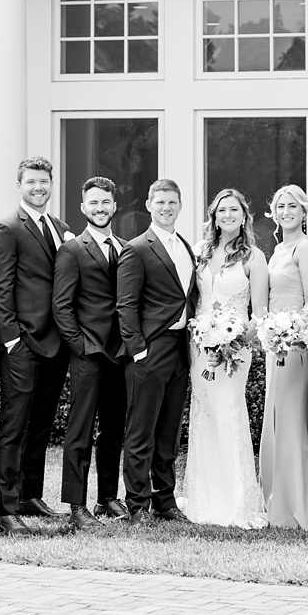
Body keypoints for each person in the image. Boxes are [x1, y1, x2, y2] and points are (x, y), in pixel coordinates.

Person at [0, 156, 72, 527]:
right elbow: (1, 290)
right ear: (19, 185)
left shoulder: (60, 227)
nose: (38, 187)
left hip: (56, 345)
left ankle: (29, 496)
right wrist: (11, 341)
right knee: (14, 427)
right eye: (31, 182)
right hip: (22, 344)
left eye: (44, 182)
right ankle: (7, 508)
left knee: (40, 424)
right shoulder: (7, 229)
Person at [182, 187, 268, 528]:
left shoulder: (254, 258)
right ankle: (205, 498)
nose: (227, 216)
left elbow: (259, 314)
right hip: (199, 347)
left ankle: (236, 502)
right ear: (214, 217)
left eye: (234, 210)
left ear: (244, 215)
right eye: (221, 211)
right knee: (204, 415)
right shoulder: (201, 253)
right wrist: (204, 338)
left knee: (229, 412)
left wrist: (234, 344)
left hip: (236, 351)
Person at [116, 179, 198, 523]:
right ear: (149, 204)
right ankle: (137, 504)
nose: (166, 207)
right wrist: (138, 351)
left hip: (180, 350)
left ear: (180, 206)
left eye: (172, 202)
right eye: (160, 201)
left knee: (168, 432)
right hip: (150, 351)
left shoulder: (185, 246)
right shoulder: (137, 248)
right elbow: (126, 305)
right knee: (141, 431)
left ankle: (165, 501)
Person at [52, 175, 129, 526]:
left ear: (115, 205)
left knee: (113, 430)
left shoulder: (126, 248)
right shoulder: (72, 250)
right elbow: (61, 306)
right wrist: (81, 346)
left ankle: (107, 498)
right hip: (88, 353)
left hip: (120, 353)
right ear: (83, 208)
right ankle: (76, 505)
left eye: (105, 202)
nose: (100, 208)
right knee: (80, 430)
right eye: (93, 203)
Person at [259, 184, 308, 531]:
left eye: (293, 207)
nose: (286, 212)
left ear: (303, 211)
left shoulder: (305, 247)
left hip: (296, 346)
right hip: (276, 344)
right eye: (280, 206)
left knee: (290, 421)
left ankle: (298, 508)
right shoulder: (279, 249)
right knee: (277, 419)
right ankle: (276, 500)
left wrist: (293, 333)